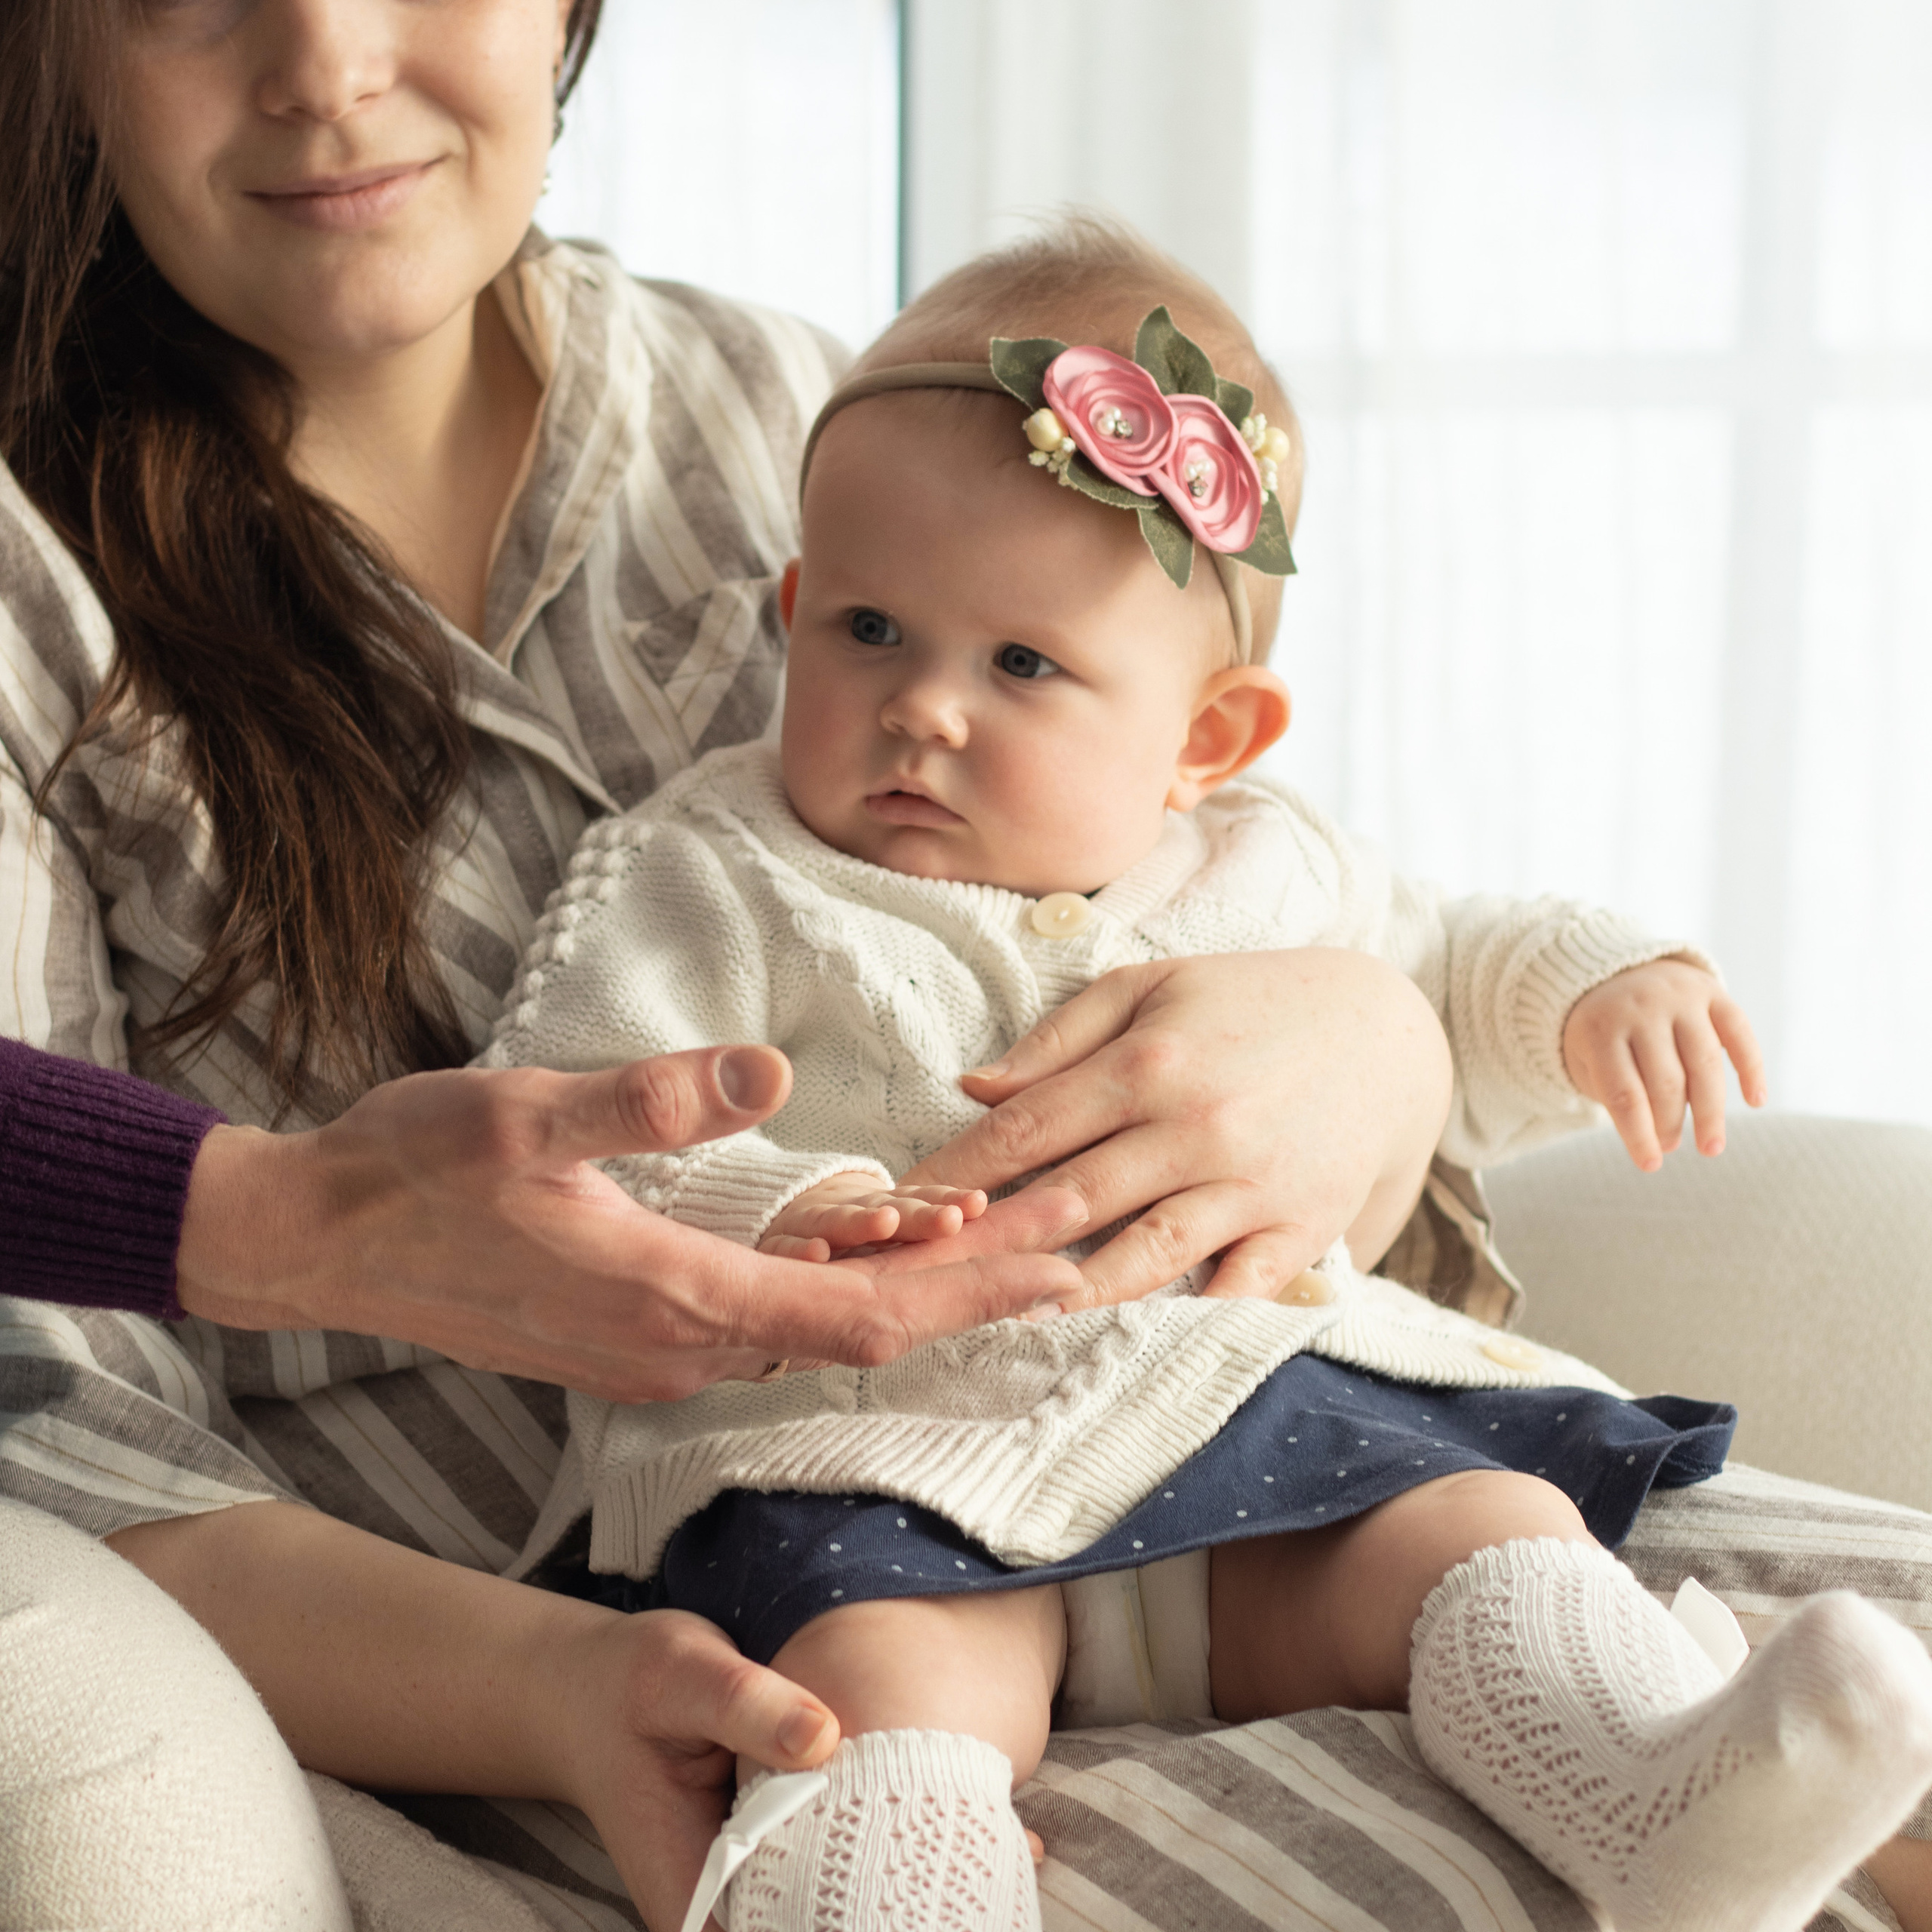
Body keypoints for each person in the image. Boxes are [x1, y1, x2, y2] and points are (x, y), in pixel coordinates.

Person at [0, 2, 1463, 1922]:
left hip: (1211, 1489)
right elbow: (53, 1432)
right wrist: (556, 1685)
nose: (327, 62)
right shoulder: (44, 586)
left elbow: (1200, 860)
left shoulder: (812, 406)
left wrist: (1378, 1052)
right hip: (674, 1672)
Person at [481, 223, 1932, 1932]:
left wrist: (1598, 981)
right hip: (873, 1455)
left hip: (1257, 1446)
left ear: (1206, 738)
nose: (922, 710)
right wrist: (784, 1207)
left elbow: (1446, 958)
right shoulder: (705, 866)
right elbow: (566, 1118)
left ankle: (1653, 1796)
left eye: (1020, 663)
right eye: (869, 630)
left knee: (1484, 1524)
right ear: (795, 612)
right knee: (874, 1680)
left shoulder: (1258, 861)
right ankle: (883, 1881)